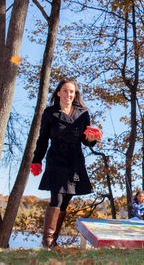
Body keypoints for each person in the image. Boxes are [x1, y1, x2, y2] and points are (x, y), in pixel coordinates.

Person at [30, 77, 101, 248]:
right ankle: (47, 241)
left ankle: (53, 240)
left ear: (75, 94)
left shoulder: (82, 113)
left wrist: (92, 139)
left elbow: (86, 139)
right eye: (65, 90)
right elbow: (42, 139)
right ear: (58, 92)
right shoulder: (50, 113)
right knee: (57, 197)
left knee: (67, 199)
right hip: (56, 158)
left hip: (74, 161)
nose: (68, 94)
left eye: (72, 91)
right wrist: (36, 160)